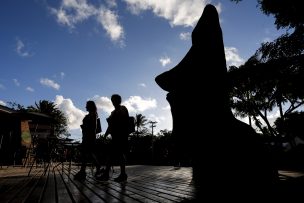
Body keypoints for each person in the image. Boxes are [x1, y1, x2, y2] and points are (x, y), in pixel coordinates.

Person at [96, 94, 129, 182]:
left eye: (114, 100)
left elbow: (123, 120)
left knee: (118, 154)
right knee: (112, 155)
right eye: (112, 100)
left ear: (119, 100)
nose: (113, 102)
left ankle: (119, 174)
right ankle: (114, 174)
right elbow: (110, 126)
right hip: (115, 136)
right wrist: (105, 135)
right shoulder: (113, 112)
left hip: (121, 136)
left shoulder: (123, 109)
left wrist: (114, 120)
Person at [74, 100, 101, 181]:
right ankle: (96, 166)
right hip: (87, 136)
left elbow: (93, 128)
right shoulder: (91, 115)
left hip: (89, 137)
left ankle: (83, 172)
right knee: (89, 154)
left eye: (87, 105)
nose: (85, 107)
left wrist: (85, 129)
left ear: (90, 106)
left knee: (85, 155)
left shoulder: (93, 115)